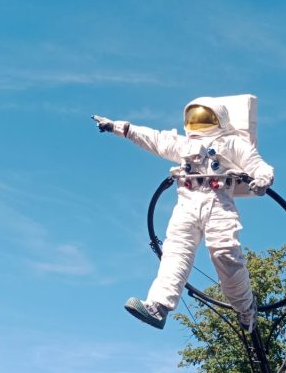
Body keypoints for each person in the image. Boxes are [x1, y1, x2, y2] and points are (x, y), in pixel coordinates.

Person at [93, 94, 274, 333]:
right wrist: (118, 127)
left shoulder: (233, 143)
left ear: (218, 119)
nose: (197, 124)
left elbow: (257, 163)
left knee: (225, 254)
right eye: (194, 119)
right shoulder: (183, 145)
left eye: (203, 119)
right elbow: (153, 139)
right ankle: (158, 307)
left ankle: (246, 309)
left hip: (218, 202)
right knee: (175, 252)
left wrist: (262, 178)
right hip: (187, 203)